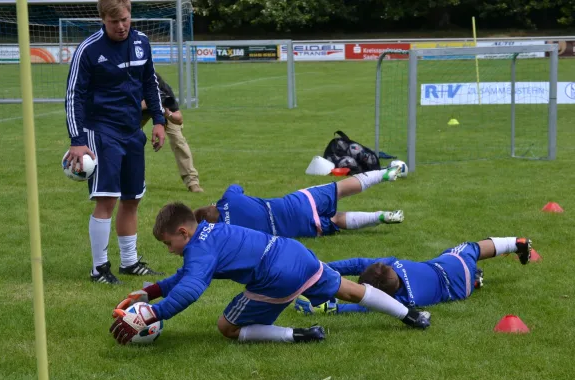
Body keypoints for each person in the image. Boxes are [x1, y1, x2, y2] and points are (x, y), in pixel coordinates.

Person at [109, 202, 431, 345]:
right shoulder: (209, 233)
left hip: (276, 277)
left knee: (227, 328)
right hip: (294, 253)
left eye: (169, 244)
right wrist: (152, 292)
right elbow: (186, 277)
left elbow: (192, 288)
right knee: (348, 290)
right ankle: (410, 315)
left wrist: (153, 313)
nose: (169, 250)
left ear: (183, 232)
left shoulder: (198, 251)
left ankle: (300, 335)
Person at [64, 0, 166, 284]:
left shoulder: (142, 42)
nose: (121, 26)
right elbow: (74, 96)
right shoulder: (89, 49)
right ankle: (99, 269)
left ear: (130, 14)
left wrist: (159, 120)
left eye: (125, 19)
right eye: (114, 22)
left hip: (133, 130)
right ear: (102, 19)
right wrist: (77, 139)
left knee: (133, 198)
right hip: (102, 131)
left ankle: (130, 262)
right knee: (107, 199)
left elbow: (150, 83)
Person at [293, 237, 532, 315]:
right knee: (472, 248)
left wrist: (327, 306)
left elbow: (362, 306)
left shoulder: (404, 301)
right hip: (453, 265)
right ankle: (515, 243)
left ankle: (477, 279)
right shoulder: (392, 264)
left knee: (459, 274)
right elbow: (358, 264)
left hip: (461, 290)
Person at [193, 166, 405, 239]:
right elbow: (236, 186)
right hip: (295, 204)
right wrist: (219, 203)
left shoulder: (228, 232)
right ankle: (384, 174)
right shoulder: (228, 199)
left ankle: (380, 217)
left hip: (297, 228)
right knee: (340, 189)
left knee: (337, 219)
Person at [141, 72, 203, 193]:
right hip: (138, 111)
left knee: (179, 140)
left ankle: (192, 182)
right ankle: (132, 180)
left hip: (161, 110)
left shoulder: (163, 88)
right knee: (128, 138)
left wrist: (166, 112)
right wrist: (145, 104)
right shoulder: (133, 83)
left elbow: (179, 119)